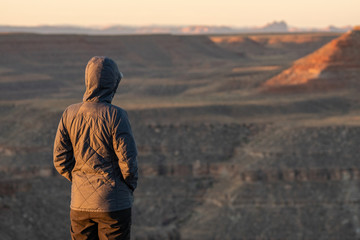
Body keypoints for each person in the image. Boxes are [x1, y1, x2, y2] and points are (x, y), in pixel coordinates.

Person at [53, 56, 138, 240]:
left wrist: (79, 180)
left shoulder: (70, 113)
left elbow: (60, 159)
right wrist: (127, 187)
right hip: (113, 204)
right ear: (113, 83)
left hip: (79, 206)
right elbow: (128, 163)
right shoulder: (116, 115)